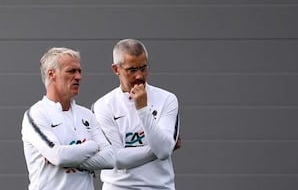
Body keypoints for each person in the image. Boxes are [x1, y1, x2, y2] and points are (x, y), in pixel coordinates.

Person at [92, 38, 181, 190]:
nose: (139, 76)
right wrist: (158, 149)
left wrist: (142, 109)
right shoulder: (103, 105)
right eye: (132, 70)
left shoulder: (167, 99)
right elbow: (116, 158)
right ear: (116, 69)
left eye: (144, 68)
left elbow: (164, 150)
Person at [21, 47, 114, 190]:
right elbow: (58, 156)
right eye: (71, 71)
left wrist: (68, 157)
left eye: (79, 71)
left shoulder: (87, 115)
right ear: (51, 74)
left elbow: (110, 158)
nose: (78, 77)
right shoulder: (36, 114)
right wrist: (92, 146)